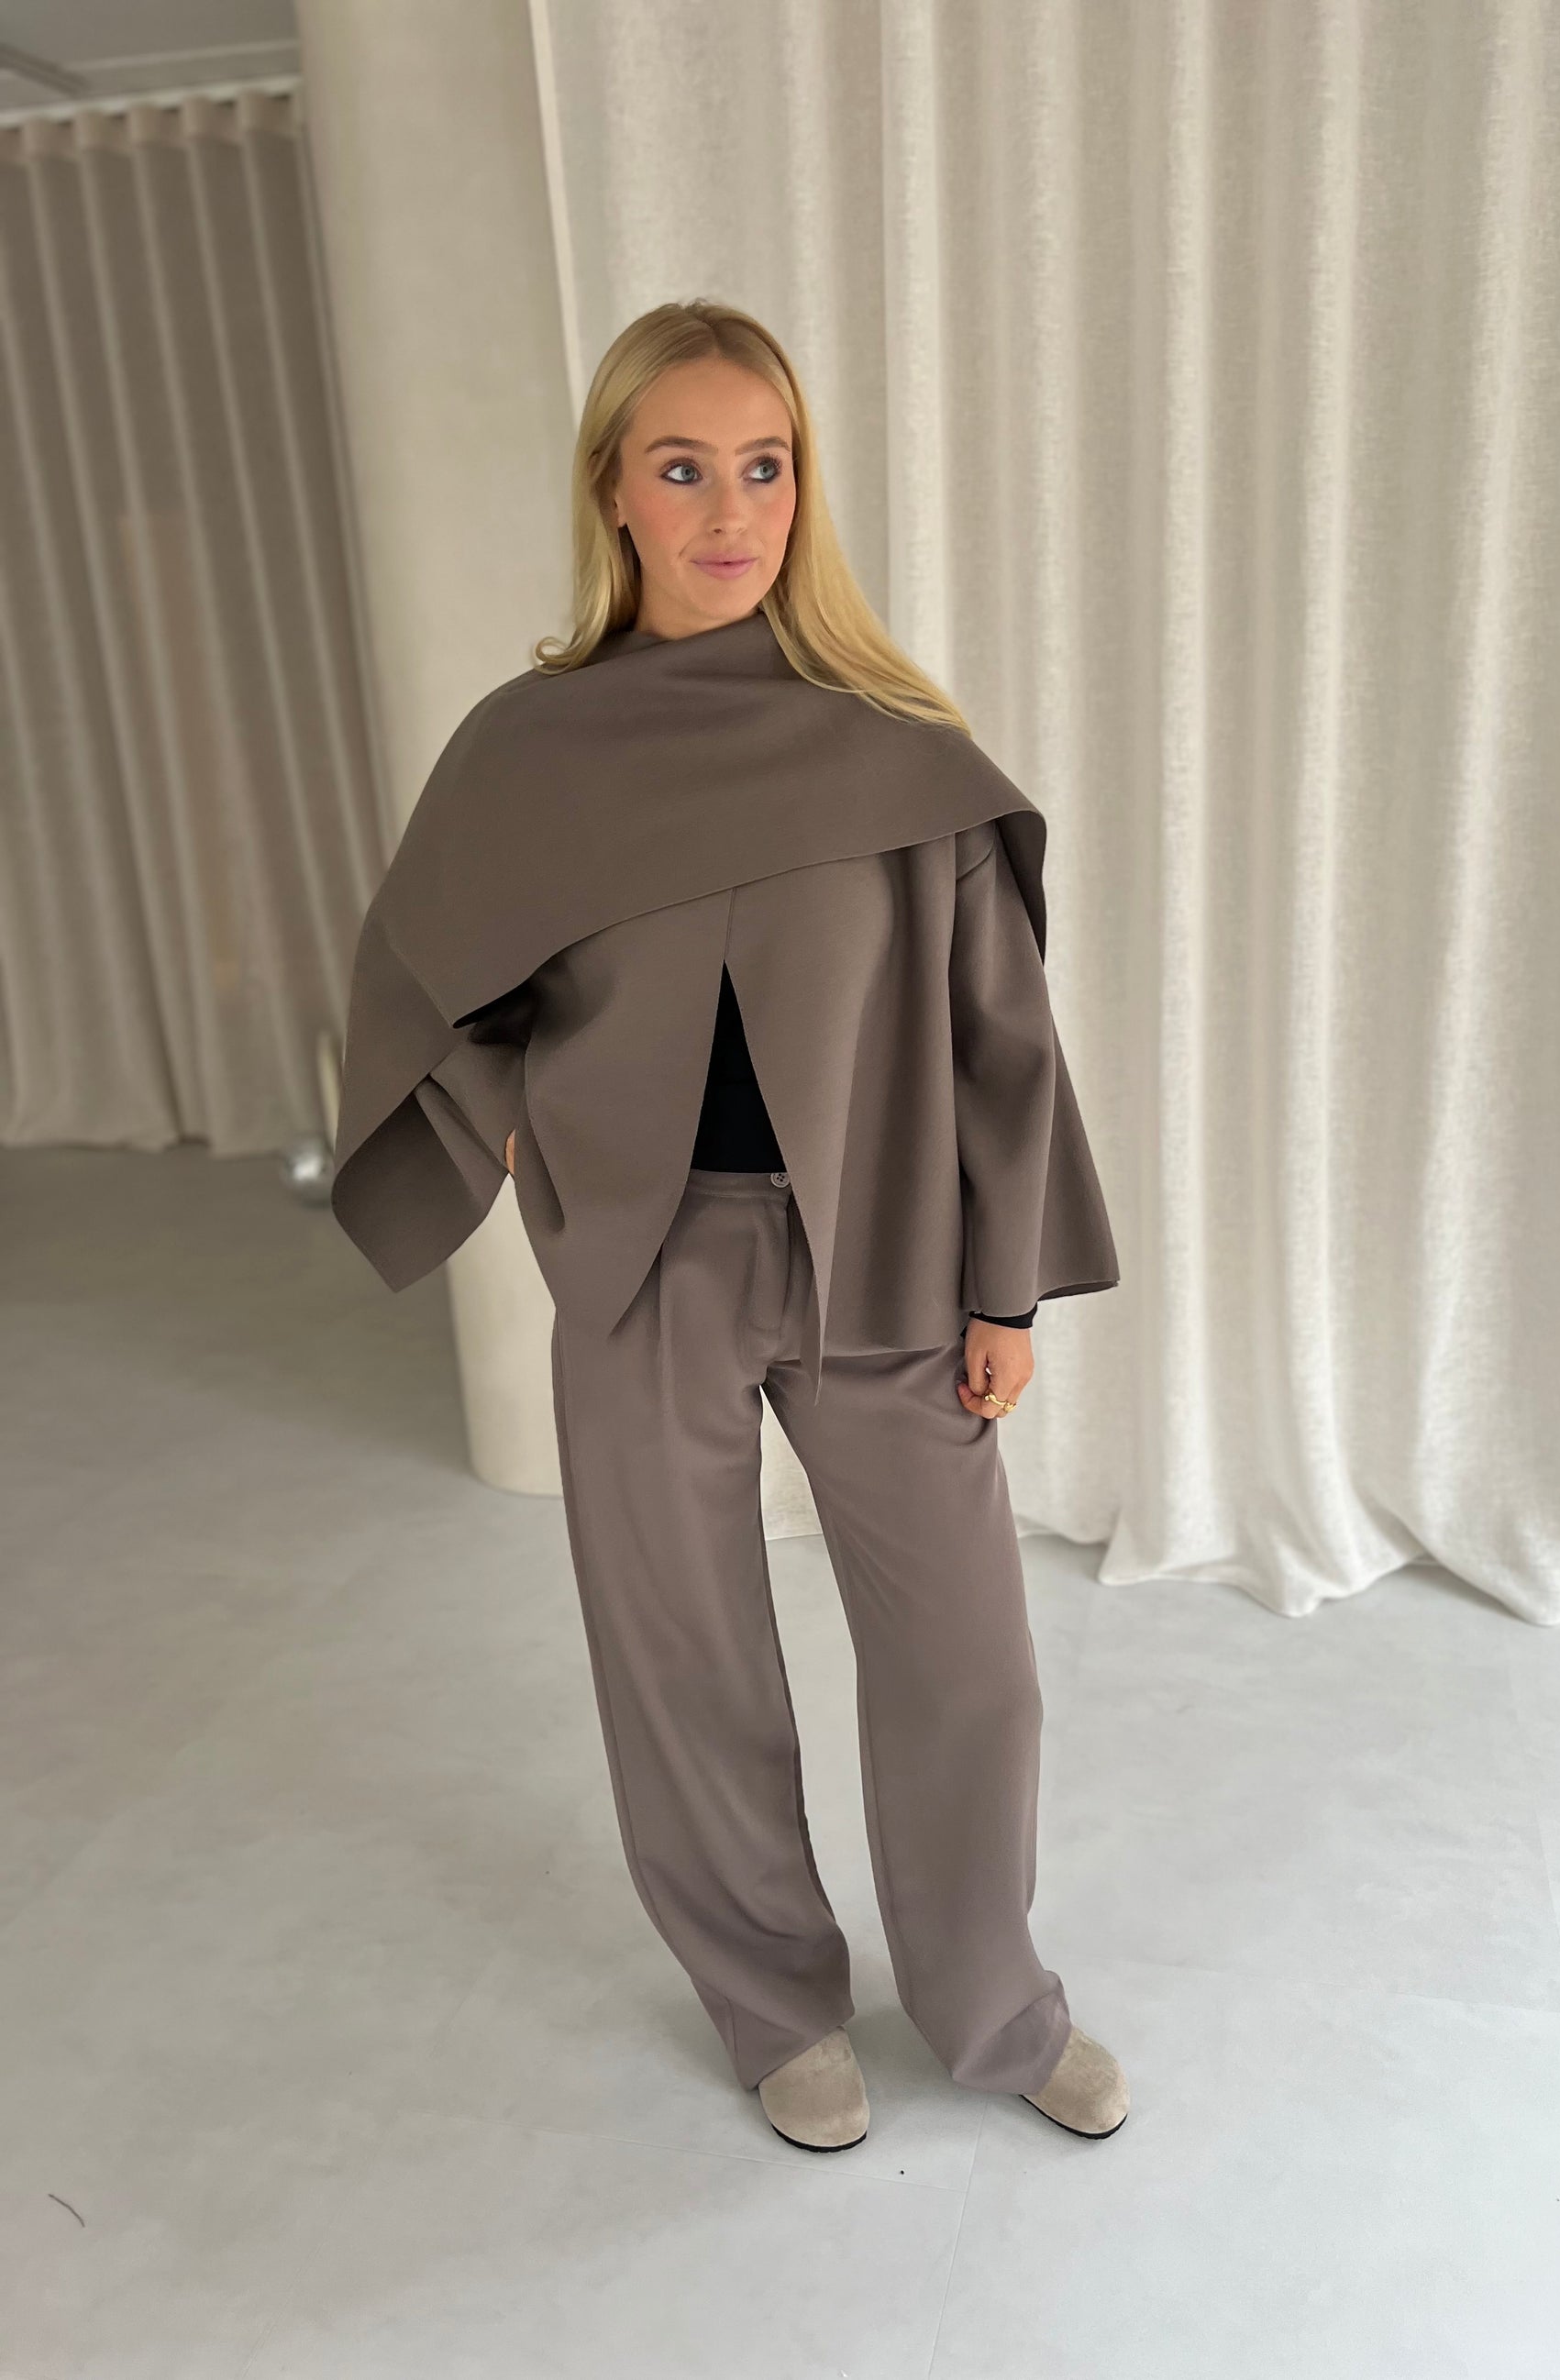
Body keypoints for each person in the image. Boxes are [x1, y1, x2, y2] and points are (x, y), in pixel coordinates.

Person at [329, 299, 1127, 2151]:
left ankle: (992, 2005)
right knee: (682, 1662)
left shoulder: (889, 742)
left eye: (763, 467)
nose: (728, 510)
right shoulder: (531, 750)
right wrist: (518, 1121)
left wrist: (1004, 1288)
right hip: (645, 1267)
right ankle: (775, 2002)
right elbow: (426, 979)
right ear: (612, 489)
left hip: (887, 1259)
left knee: (968, 1666)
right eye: (682, 467)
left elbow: (998, 1037)